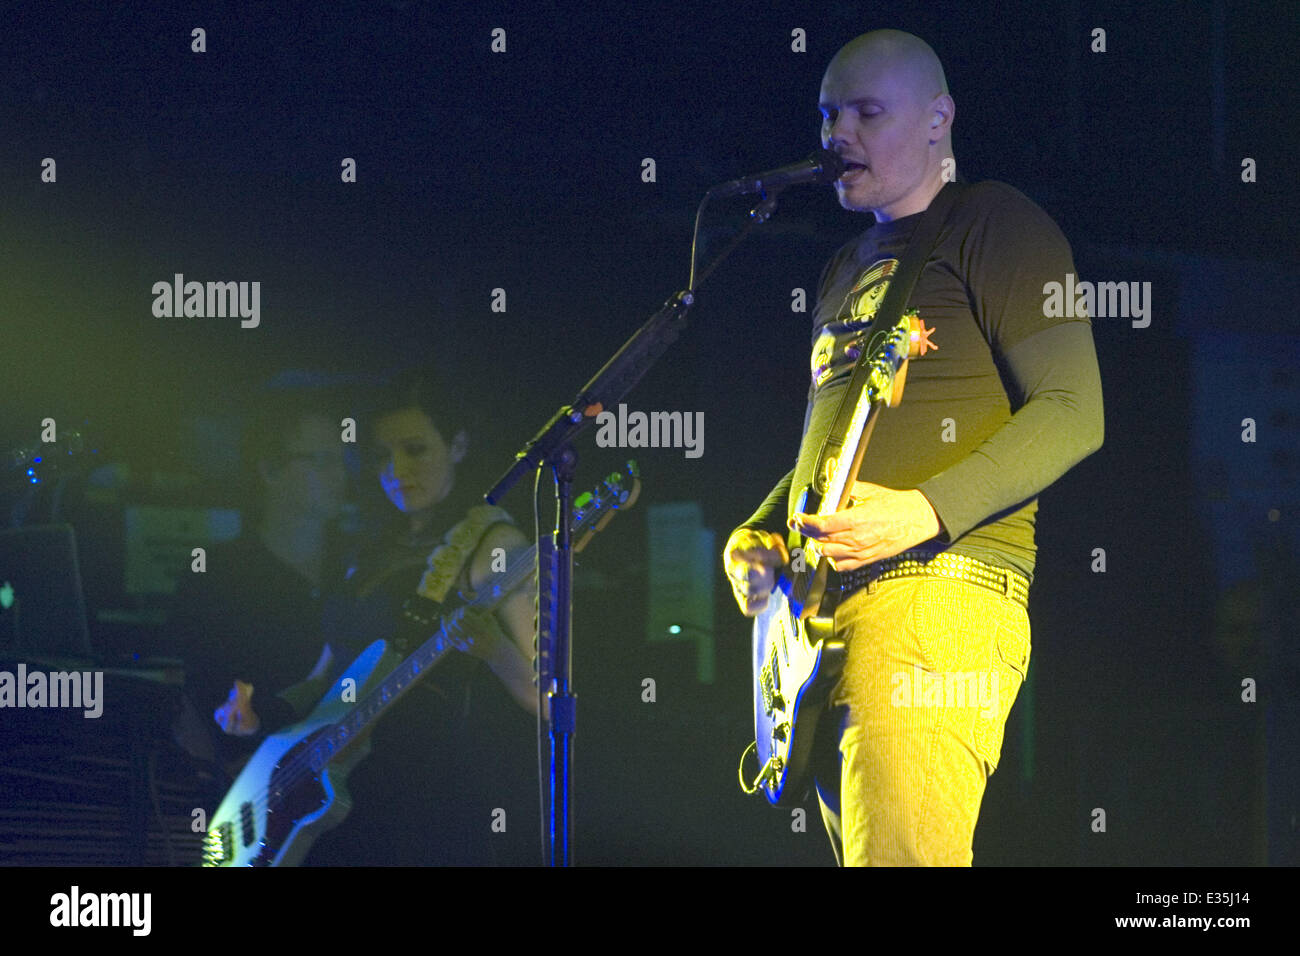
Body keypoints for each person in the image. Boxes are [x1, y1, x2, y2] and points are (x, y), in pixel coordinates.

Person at [723, 29, 1104, 866]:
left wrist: (923, 513)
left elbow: (1075, 410)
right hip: (824, 616)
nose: (837, 135)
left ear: (939, 119)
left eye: (866, 111)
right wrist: (764, 528)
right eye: (828, 114)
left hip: (938, 596)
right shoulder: (843, 267)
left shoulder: (996, 221)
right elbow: (837, 443)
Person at [220, 368, 539, 865]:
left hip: (427, 808)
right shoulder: (369, 551)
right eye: (381, 456)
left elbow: (545, 696)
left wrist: (492, 646)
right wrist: (258, 711)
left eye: (415, 450)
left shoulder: (493, 545)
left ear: (457, 446)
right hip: (338, 809)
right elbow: (325, 682)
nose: (396, 469)